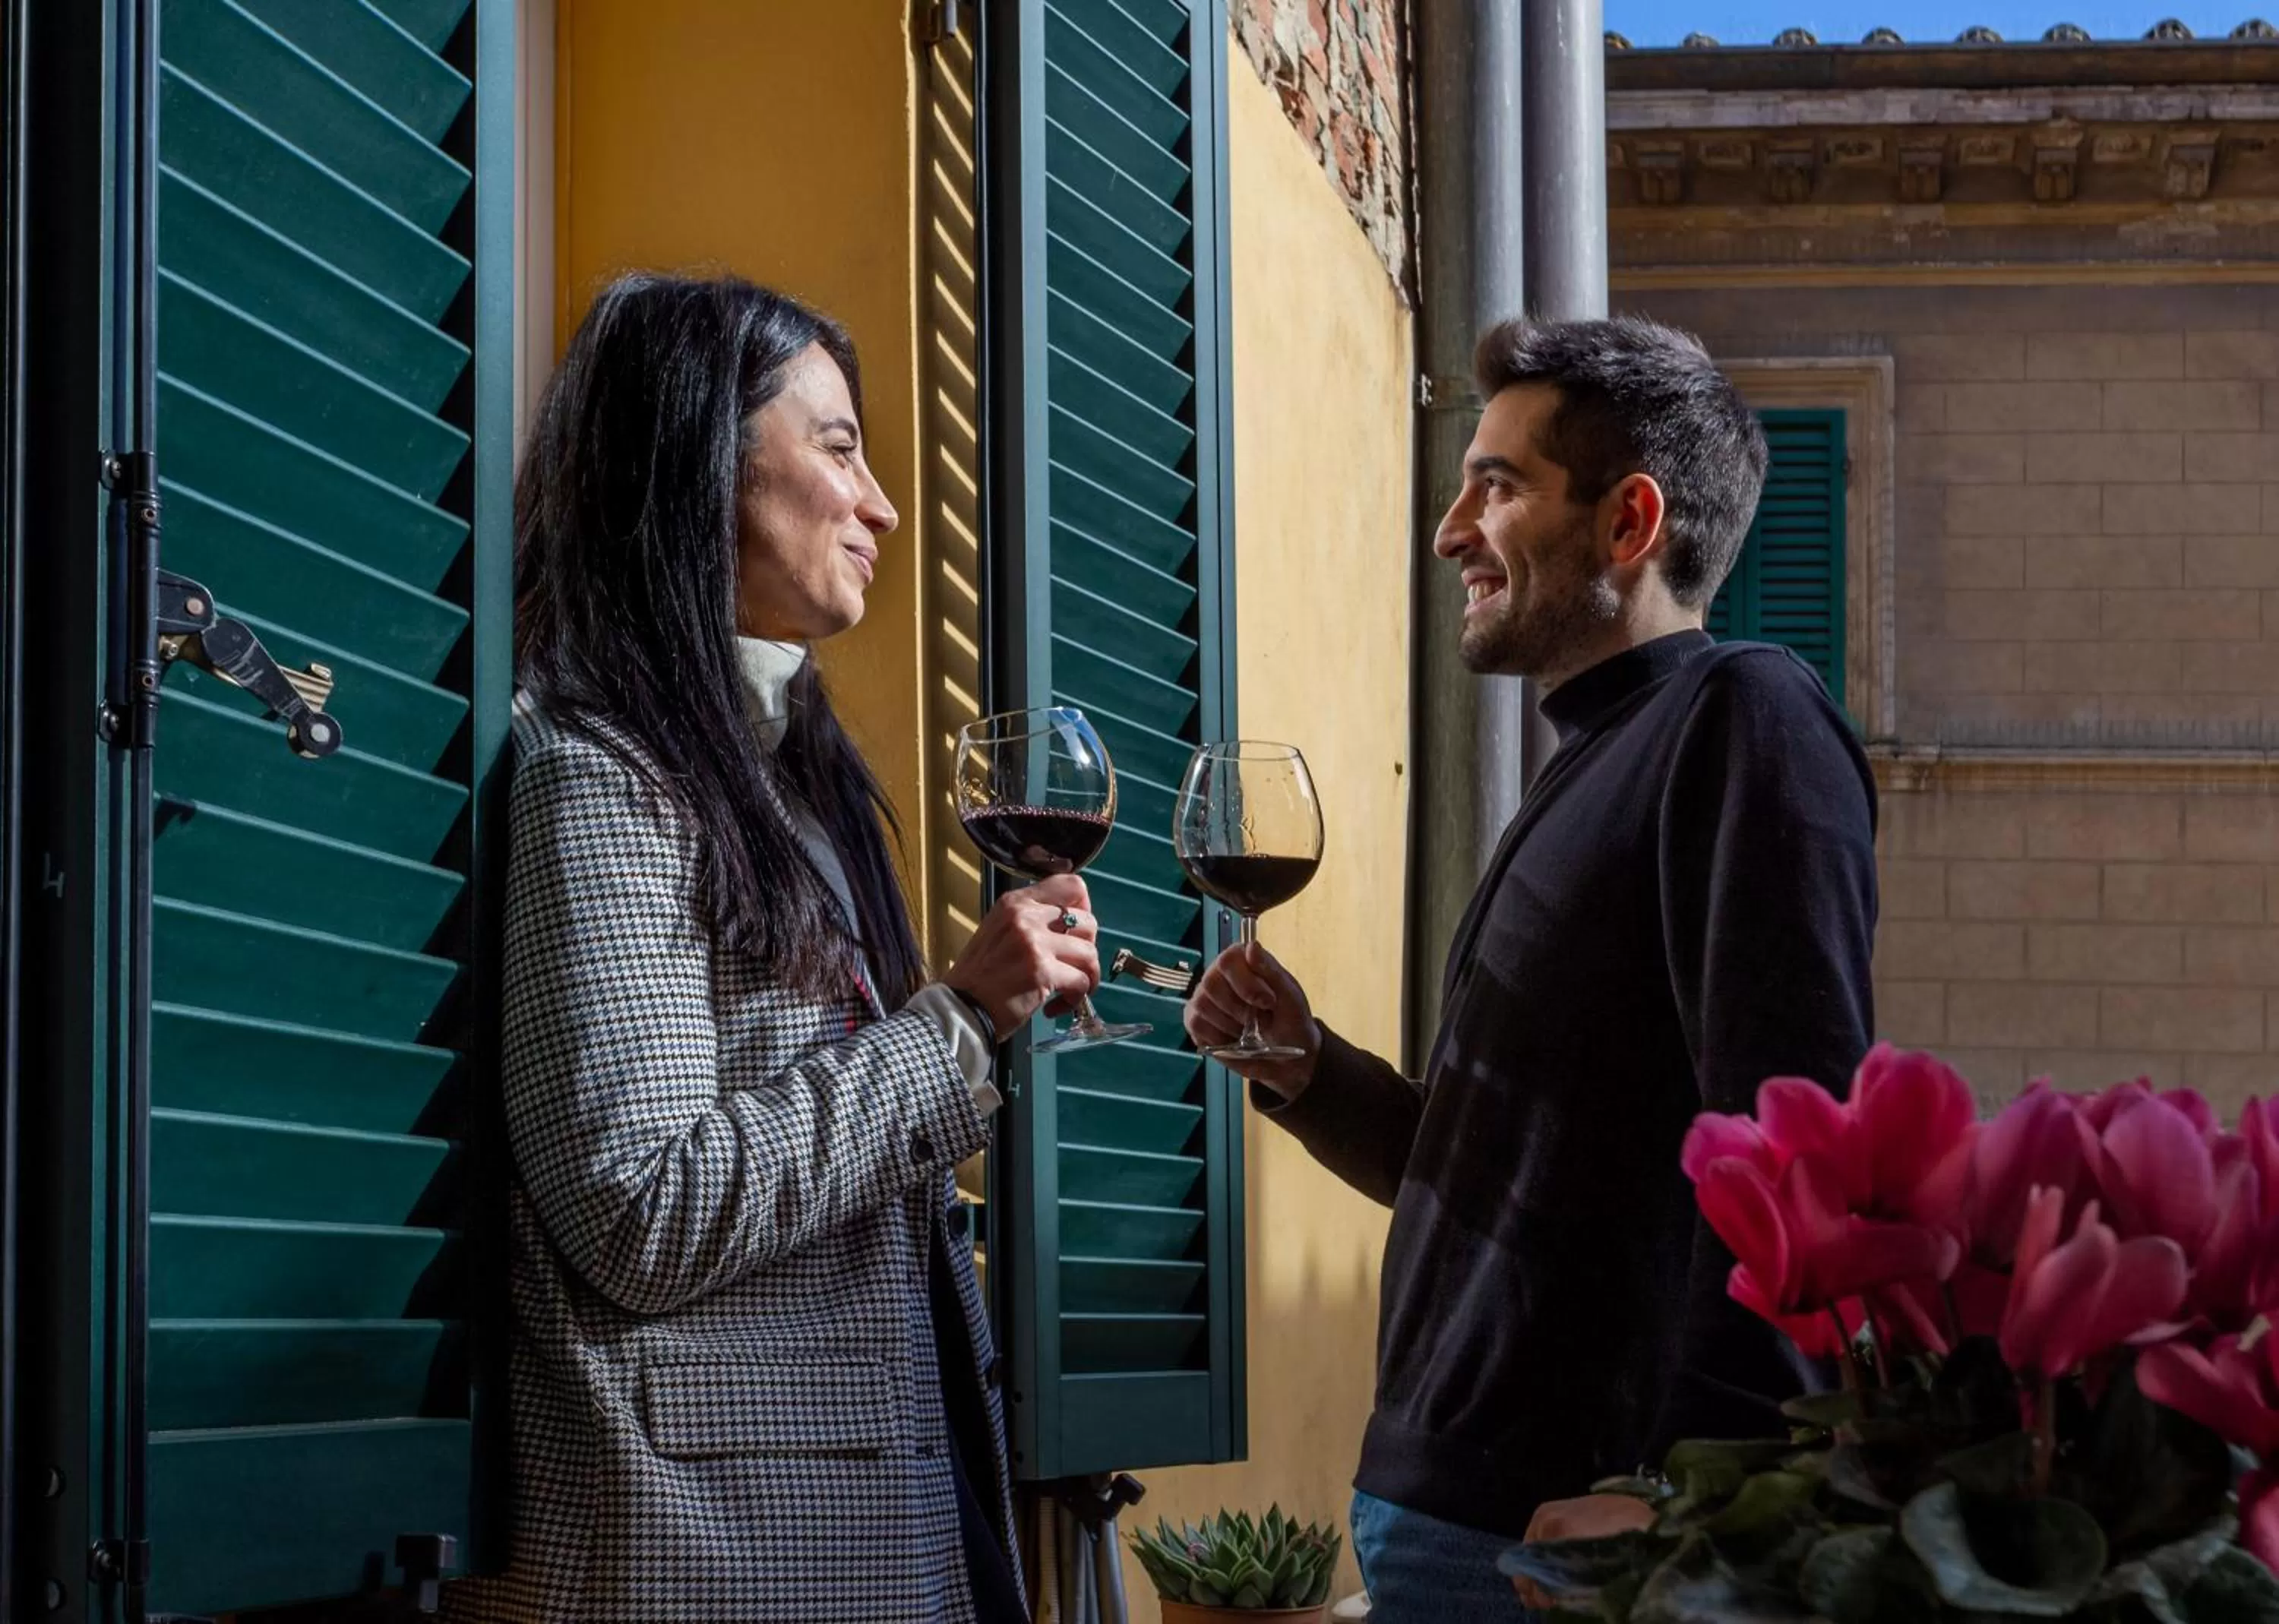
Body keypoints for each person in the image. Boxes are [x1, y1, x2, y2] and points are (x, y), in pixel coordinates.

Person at [1184, 317, 1879, 1621]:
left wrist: (1685, 1491)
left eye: (1497, 484)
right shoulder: (1591, 764)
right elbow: (1497, 1170)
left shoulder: (1745, 717)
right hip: (1444, 1509)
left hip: (1563, 1530)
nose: (1452, 530)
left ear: (1629, 524)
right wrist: (1307, 1069)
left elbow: (1798, 1134)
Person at [445, 273, 1090, 1622]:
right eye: (840, 448)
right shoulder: (600, 772)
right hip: (699, 1556)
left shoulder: (786, 776)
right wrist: (957, 1026)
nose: (884, 506)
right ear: (698, 461)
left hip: (856, 1525)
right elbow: (639, 1206)